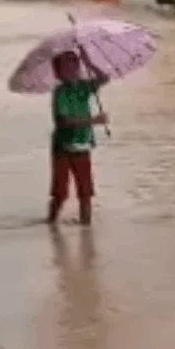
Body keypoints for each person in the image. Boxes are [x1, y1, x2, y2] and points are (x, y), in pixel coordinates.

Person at [48, 47, 110, 226]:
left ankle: (86, 227)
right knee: (60, 193)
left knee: (86, 192)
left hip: (83, 145)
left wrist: (90, 62)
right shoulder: (60, 92)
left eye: (74, 66)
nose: (71, 71)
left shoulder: (84, 86)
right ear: (58, 74)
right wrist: (94, 121)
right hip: (63, 147)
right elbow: (65, 121)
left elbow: (104, 78)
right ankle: (51, 222)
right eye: (66, 68)